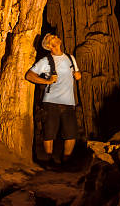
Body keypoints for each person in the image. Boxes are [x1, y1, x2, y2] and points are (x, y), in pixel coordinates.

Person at [25, 33, 81, 166]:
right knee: (49, 133)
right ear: (49, 45)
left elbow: (77, 75)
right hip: (51, 101)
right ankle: (50, 161)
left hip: (69, 102)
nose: (55, 36)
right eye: (52, 37)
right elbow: (29, 75)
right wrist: (46, 80)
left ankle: (66, 160)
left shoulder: (70, 58)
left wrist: (78, 75)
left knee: (71, 134)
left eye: (54, 36)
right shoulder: (45, 61)